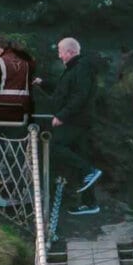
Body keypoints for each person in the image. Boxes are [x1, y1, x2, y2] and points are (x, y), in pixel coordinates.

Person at [49, 35, 103, 213]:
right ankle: (90, 204)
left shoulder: (81, 69)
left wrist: (62, 116)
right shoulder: (75, 69)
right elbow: (64, 92)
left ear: (70, 52)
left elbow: (80, 96)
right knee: (81, 156)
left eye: (61, 52)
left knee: (56, 146)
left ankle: (90, 171)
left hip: (76, 121)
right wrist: (43, 84)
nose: (59, 56)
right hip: (78, 120)